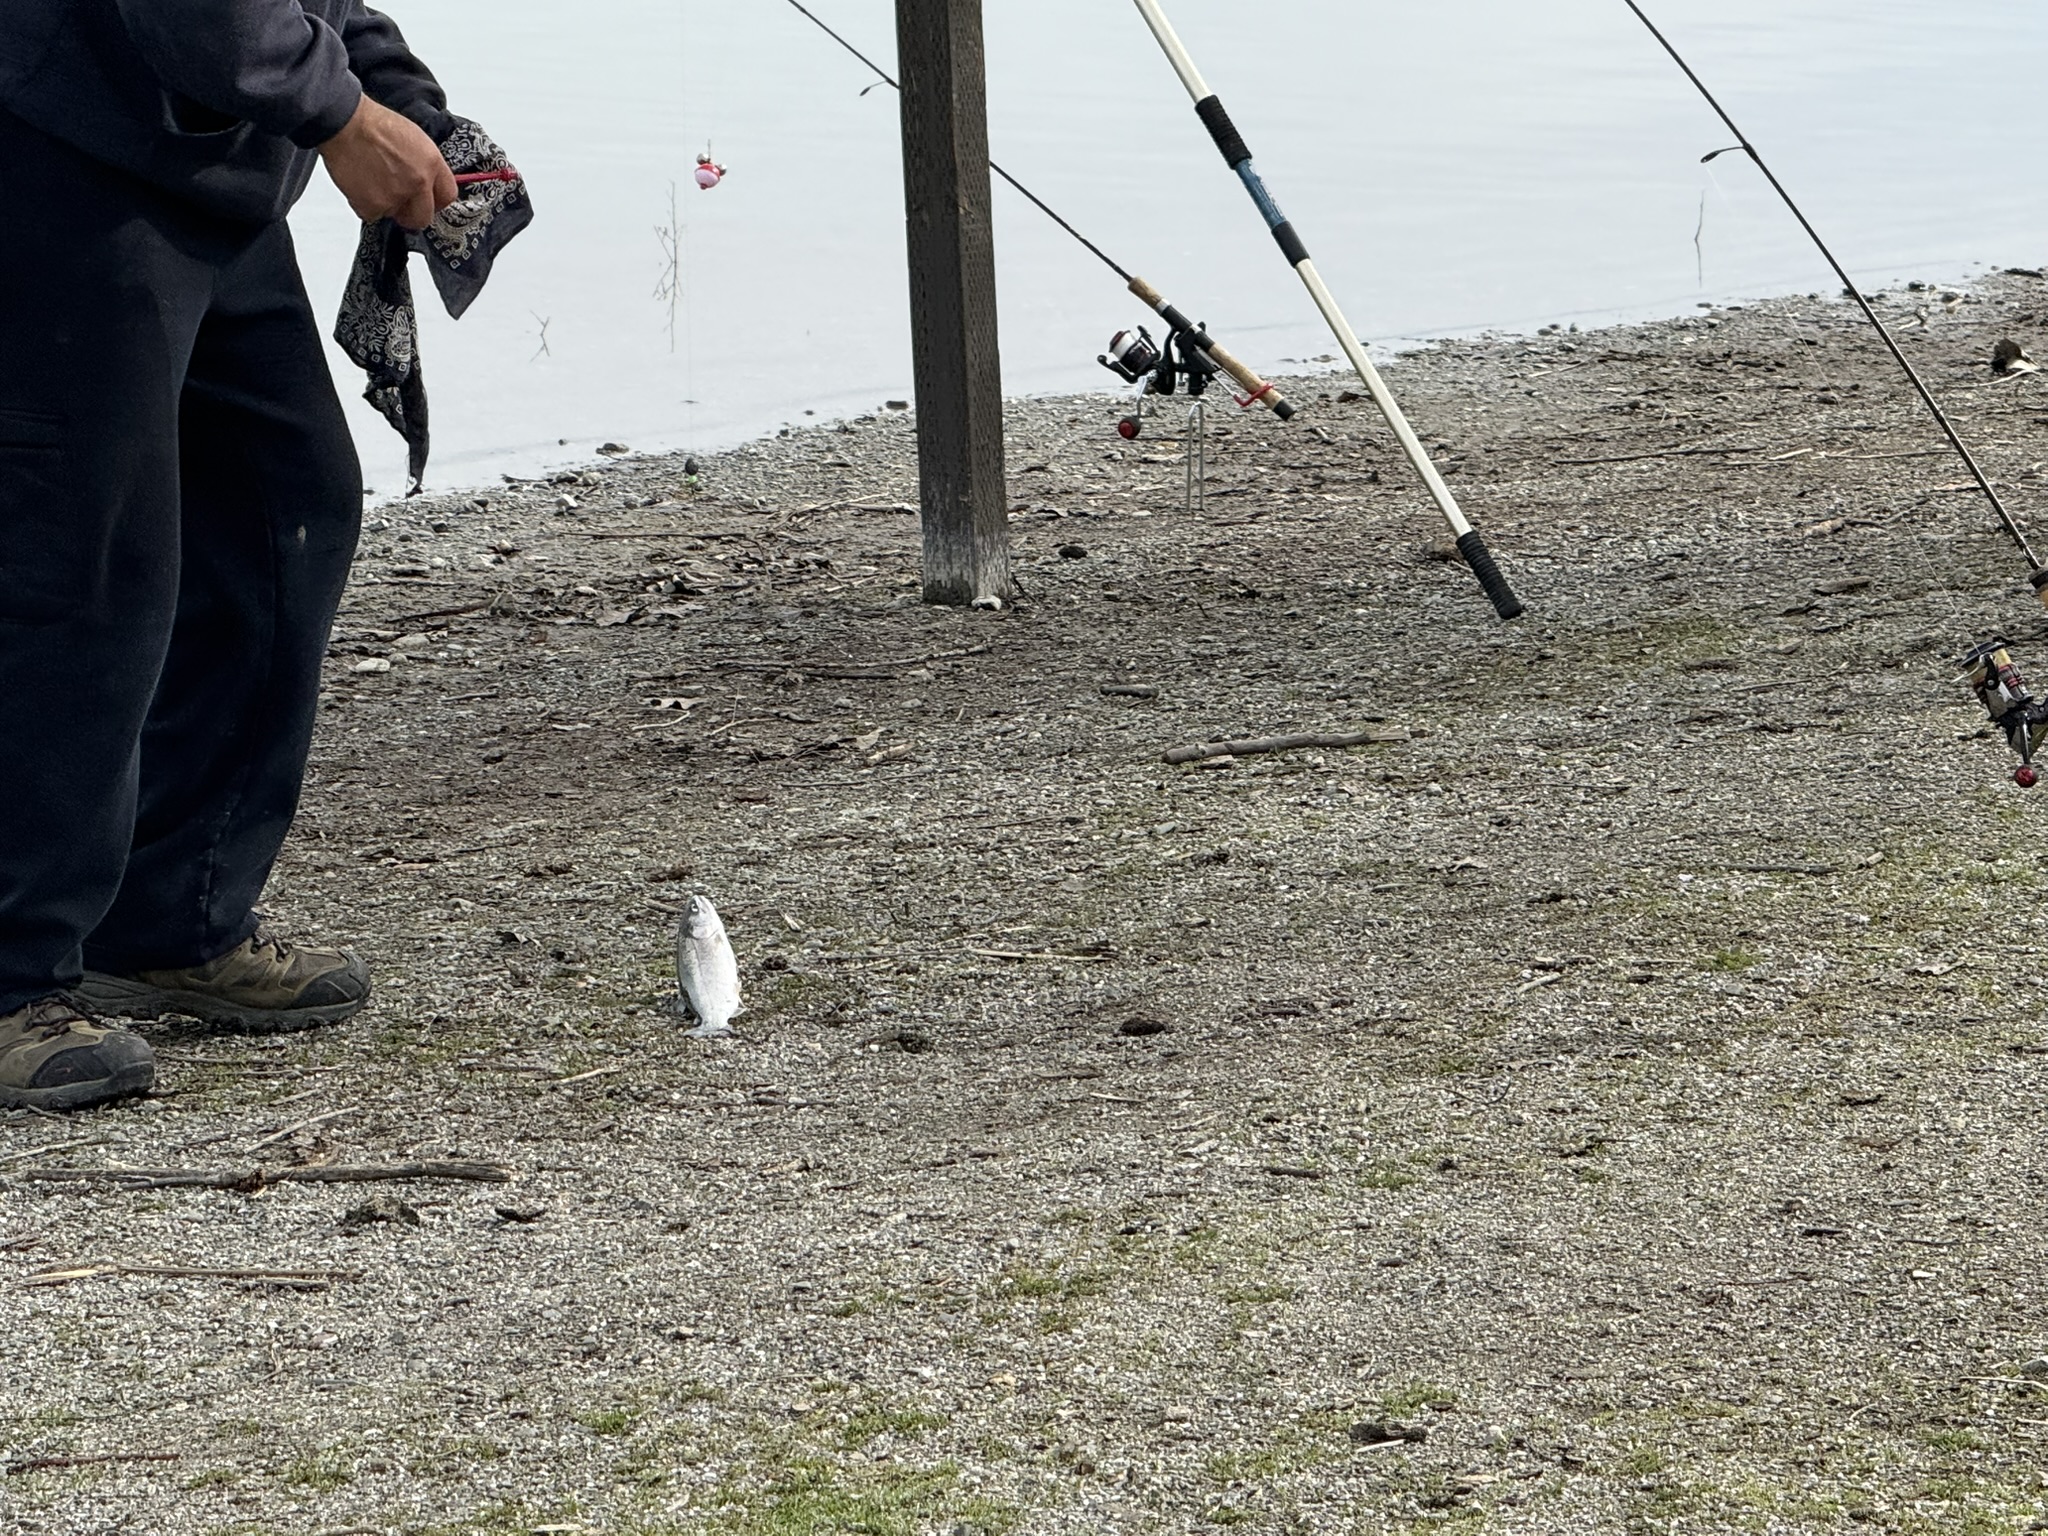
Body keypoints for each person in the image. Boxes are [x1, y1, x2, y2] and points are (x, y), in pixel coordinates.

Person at [0, 1, 461, 1112]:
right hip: (53, 154)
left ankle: (172, 913)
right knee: (82, 568)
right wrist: (340, 115)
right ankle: (11, 980)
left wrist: (401, 102)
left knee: (285, 506)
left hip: (209, 167)